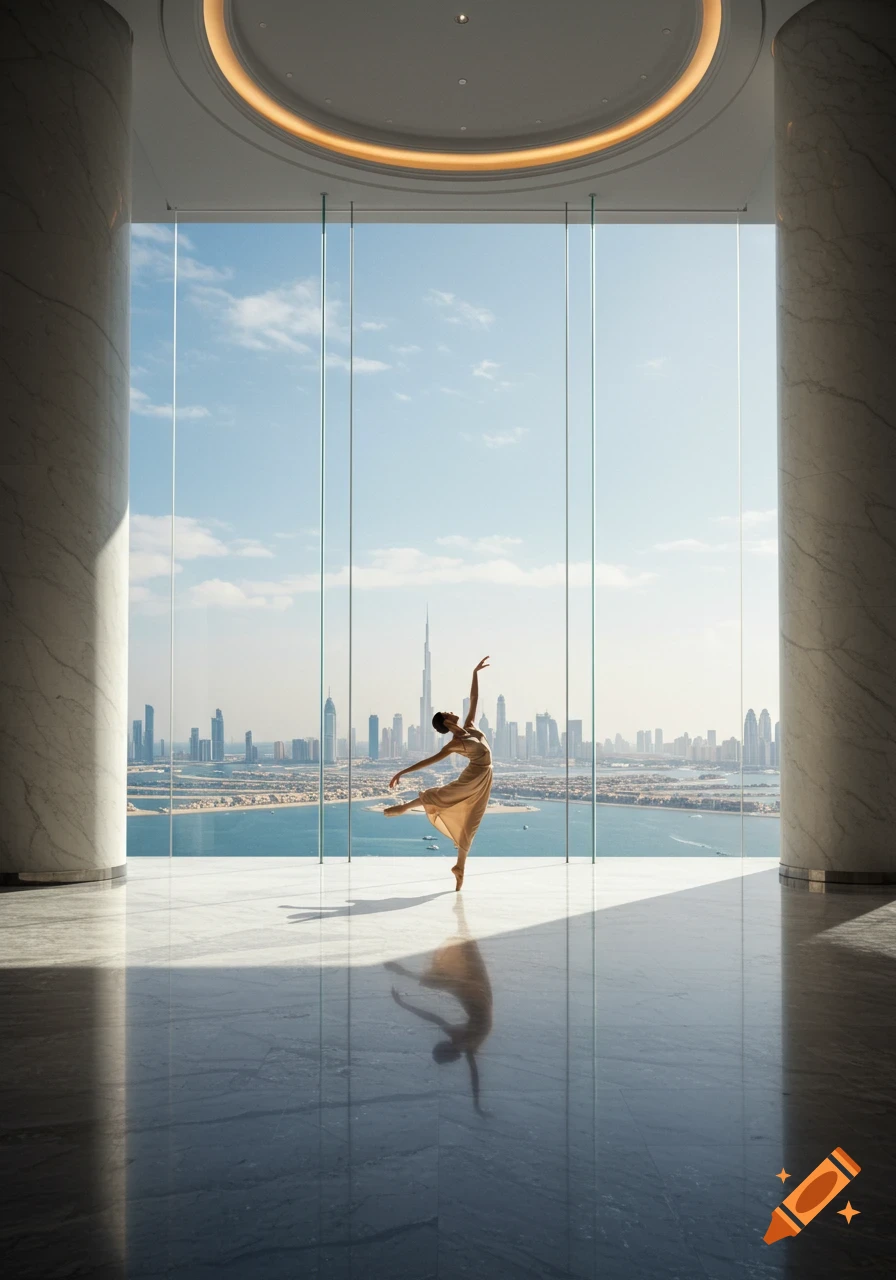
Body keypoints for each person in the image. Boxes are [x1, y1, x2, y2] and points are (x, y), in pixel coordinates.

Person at [383, 656, 492, 890]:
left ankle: (459, 867)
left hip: (484, 779)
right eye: (447, 712)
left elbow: (474, 699)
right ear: (446, 721)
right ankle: (403, 807)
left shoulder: (471, 724)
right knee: (440, 795)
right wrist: (402, 772)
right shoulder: (454, 743)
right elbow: (428, 761)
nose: (452, 711)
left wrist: (475, 672)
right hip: (473, 777)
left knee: (472, 823)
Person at [386, 898, 492, 1113]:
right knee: (465, 956)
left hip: (476, 999)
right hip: (476, 997)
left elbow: (431, 1017)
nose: (445, 1041)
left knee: (467, 954)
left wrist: (404, 1004)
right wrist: (477, 1105)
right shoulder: (466, 1045)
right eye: (444, 1046)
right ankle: (403, 971)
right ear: (448, 1049)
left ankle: (460, 915)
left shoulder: (462, 1044)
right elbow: (474, 1077)